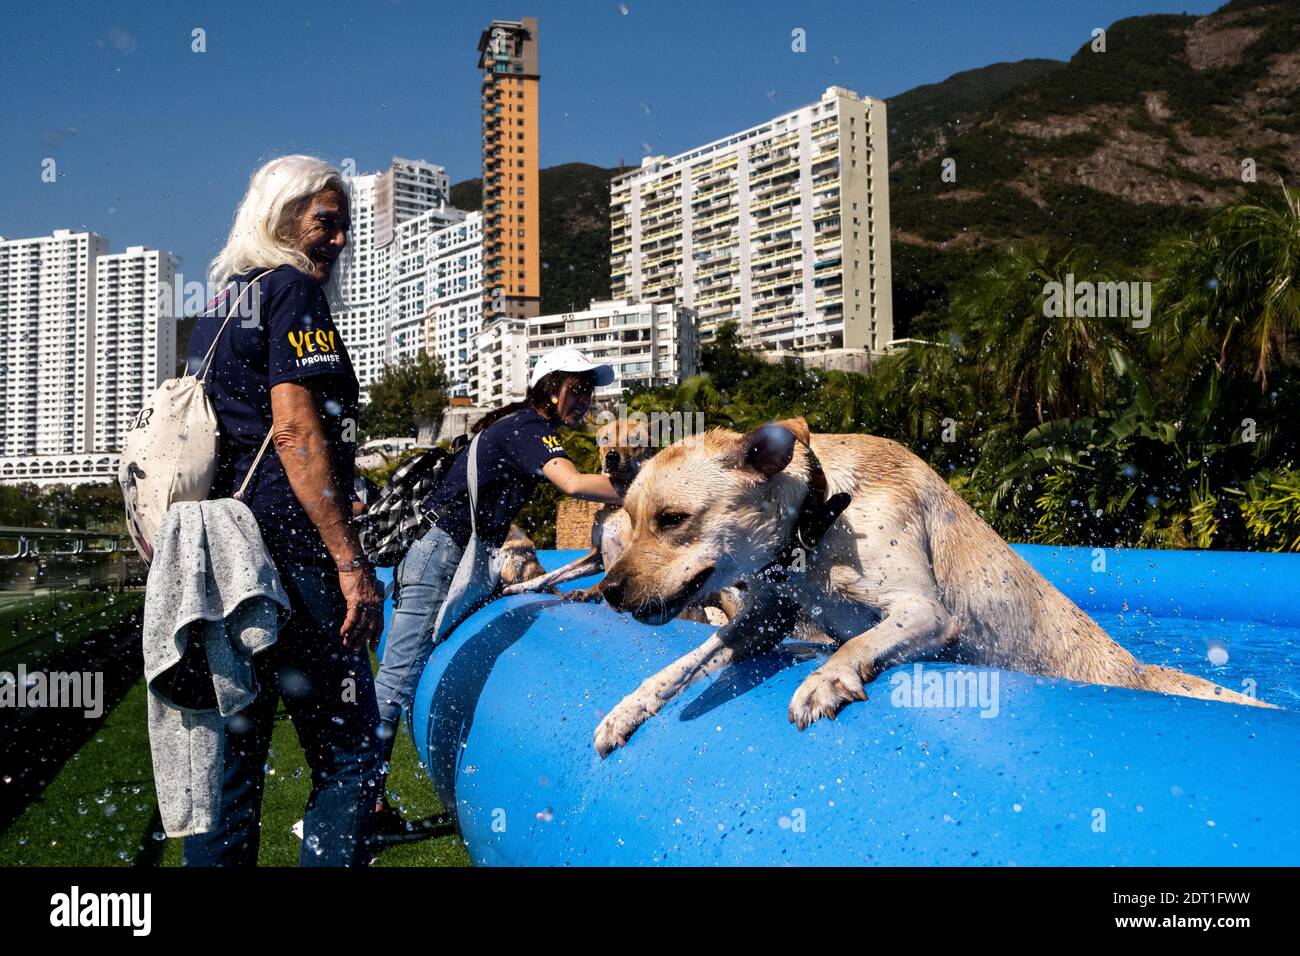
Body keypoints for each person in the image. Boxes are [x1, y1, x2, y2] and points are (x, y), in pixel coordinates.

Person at [182, 155, 385, 866]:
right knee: (353, 754)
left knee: (229, 776)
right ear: (279, 217)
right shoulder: (292, 289)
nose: (338, 240)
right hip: (292, 561)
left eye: (345, 227)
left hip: (219, 565)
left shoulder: (218, 308)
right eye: (325, 222)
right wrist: (349, 558)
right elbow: (295, 431)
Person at [371, 347, 622, 830]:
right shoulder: (529, 429)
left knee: (402, 675)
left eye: (590, 390)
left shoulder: (516, 426)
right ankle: (359, 801)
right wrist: (647, 489)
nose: (586, 400)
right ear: (551, 388)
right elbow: (570, 485)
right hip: (441, 553)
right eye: (578, 388)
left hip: (454, 552)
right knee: (398, 678)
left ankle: (366, 800)